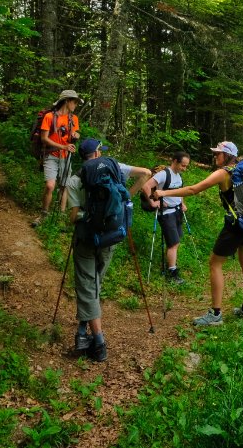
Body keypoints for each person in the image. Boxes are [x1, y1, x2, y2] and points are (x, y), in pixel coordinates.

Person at [66, 137, 152, 361]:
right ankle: (89, 336)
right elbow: (147, 173)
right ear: (96, 154)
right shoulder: (115, 167)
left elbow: (74, 216)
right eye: (100, 151)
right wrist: (124, 200)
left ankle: (96, 341)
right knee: (94, 284)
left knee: (87, 286)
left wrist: (90, 215)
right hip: (111, 236)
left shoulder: (75, 179)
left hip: (86, 238)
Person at [156, 141, 243, 326]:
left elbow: (193, 189)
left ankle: (215, 314)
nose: (215, 157)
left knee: (215, 263)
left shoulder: (224, 173)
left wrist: (163, 193)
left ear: (227, 155)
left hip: (236, 223)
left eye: (218, 154)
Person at [33, 89, 82, 227]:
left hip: (66, 157)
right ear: (67, 101)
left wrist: (75, 137)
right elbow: (44, 139)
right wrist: (63, 147)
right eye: (74, 102)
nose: (76, 105)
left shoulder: (74, 119)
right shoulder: (49, 117)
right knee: (50, 186)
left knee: (64, 186)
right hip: (51, 155)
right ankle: (44, 213)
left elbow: (73, 135)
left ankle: (60, 216)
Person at [142, 151, 191, 284]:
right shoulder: (164, 174)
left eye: (186, 166)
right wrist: (153, 203)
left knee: (175, 242)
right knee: (173, 243)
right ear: (174, 161)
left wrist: (182, 203)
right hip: (166, 214)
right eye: (183, 165)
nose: (184, 168)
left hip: (177, 212)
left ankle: (171, 266)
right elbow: (146, 186)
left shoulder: (178, 175)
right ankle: (172, 273)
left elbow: (180, 191)